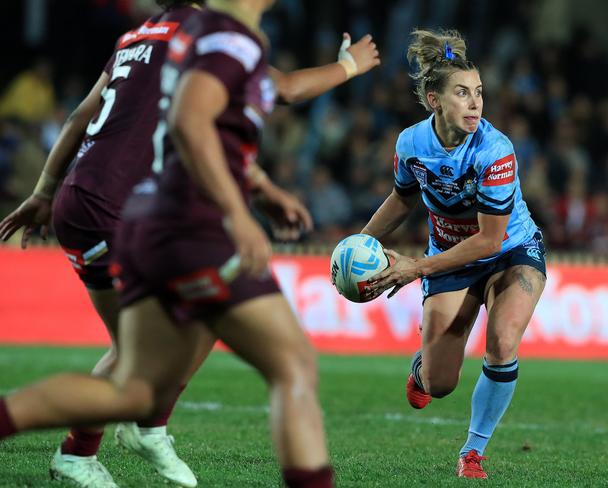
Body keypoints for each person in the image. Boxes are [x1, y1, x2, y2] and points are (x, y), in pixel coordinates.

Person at [0, 1, 379, 487]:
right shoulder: (221, 36)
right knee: (284, 365)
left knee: (142, 378)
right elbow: (197, 120)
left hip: (122, 204)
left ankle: (125, 431)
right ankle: (119, 437)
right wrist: (348, 67)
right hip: (156, 213)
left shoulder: (146, 38)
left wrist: (44, 190)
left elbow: (127, 118)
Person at [360, 29, 546, 479]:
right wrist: (359, 244)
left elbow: (488, 241)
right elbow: (403, 198)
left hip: (511, 250)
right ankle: (424, 369)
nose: (475, 103)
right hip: (448, 254)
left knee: (502, 341)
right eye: (462, 93)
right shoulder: (410, 144)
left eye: (479, 93)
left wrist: (414, 269)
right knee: (440, 385)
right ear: (433, 101)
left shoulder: (495, 151)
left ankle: (472, 453)